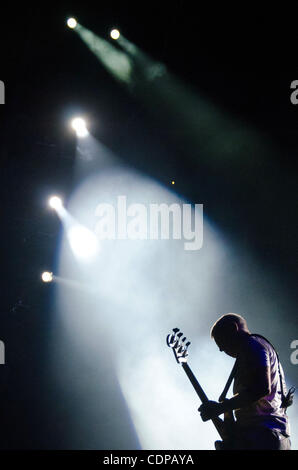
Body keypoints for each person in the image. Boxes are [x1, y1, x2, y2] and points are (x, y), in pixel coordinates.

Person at [198, 313, 292, 450]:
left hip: (263, 437)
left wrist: (220, 408)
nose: (221, 349)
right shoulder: (258, 347)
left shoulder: (252, 346)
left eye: (222, 342)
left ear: (233, 328)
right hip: (273, 437)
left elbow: (261, 388)